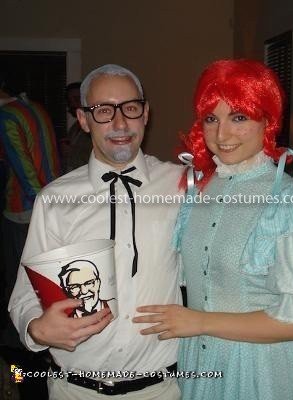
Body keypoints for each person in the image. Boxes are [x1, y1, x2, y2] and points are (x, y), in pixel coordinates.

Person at [133, 59, 293, 400]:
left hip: (263, 372)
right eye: (211, 119)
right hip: (200, 365)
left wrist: (200, 322)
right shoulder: (199, 190)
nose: (222, 135)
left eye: (238, 117)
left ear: (267, 119)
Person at [9, 64, 183, 399]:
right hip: (75, 390)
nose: (120, 124)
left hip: (160, 390)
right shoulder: (55, 200)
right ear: (84, 119)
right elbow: (25, 295)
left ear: (145, 114)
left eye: (130, 108)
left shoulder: (181, 185)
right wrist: (37, 327)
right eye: (103, 111)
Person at [0, 87, 61, 348]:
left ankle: (21, 349)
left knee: (21, 280)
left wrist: (40, 205)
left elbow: (22, 165)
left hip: (24, 206)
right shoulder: (36, 107)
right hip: (51, 197)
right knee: (45, 273)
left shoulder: (6, 116)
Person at [60, 82, 92, 172]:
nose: (73, 104)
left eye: (76, 99)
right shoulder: (75, 127)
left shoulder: (95, 126)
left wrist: (71, 152)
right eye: (70, 101)